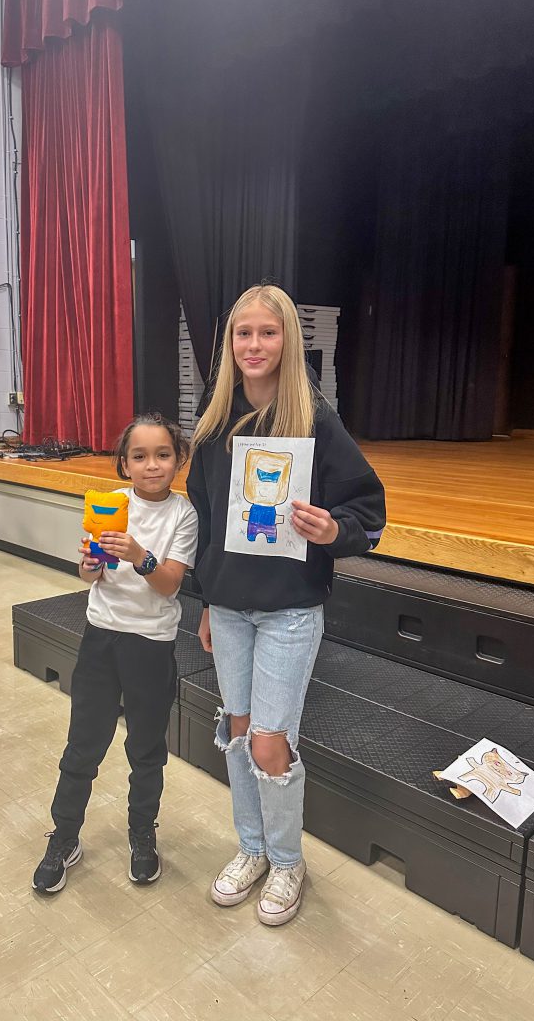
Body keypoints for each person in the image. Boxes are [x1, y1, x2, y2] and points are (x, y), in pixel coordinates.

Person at [187, 284, 386, 926]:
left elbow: (366, 509)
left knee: (272, 743)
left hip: (289, 612)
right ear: (229, 344)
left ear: (287, 341)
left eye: (266, 333)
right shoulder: (215, 425)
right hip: (231, 608)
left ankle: (287, 860)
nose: (253, 345)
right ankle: (251, 850)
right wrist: (209, 602)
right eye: (242, 334)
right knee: (239, 733)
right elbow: (207, 522)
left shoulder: (314, 421)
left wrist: (333, 532)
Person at [33, 413, 198, 894]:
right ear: (123, 464)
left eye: (163, 455)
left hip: (151, 644)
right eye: (140, 456)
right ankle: (63, 837)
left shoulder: (183, 515)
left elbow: (169, 586)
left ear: (178, 460)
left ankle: (142, 835)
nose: (152, 465)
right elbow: (90, 576)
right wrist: (89, 564)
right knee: (83, 744)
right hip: (101, 637)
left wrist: (138, 555)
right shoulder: (108, 504)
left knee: (147, 750)